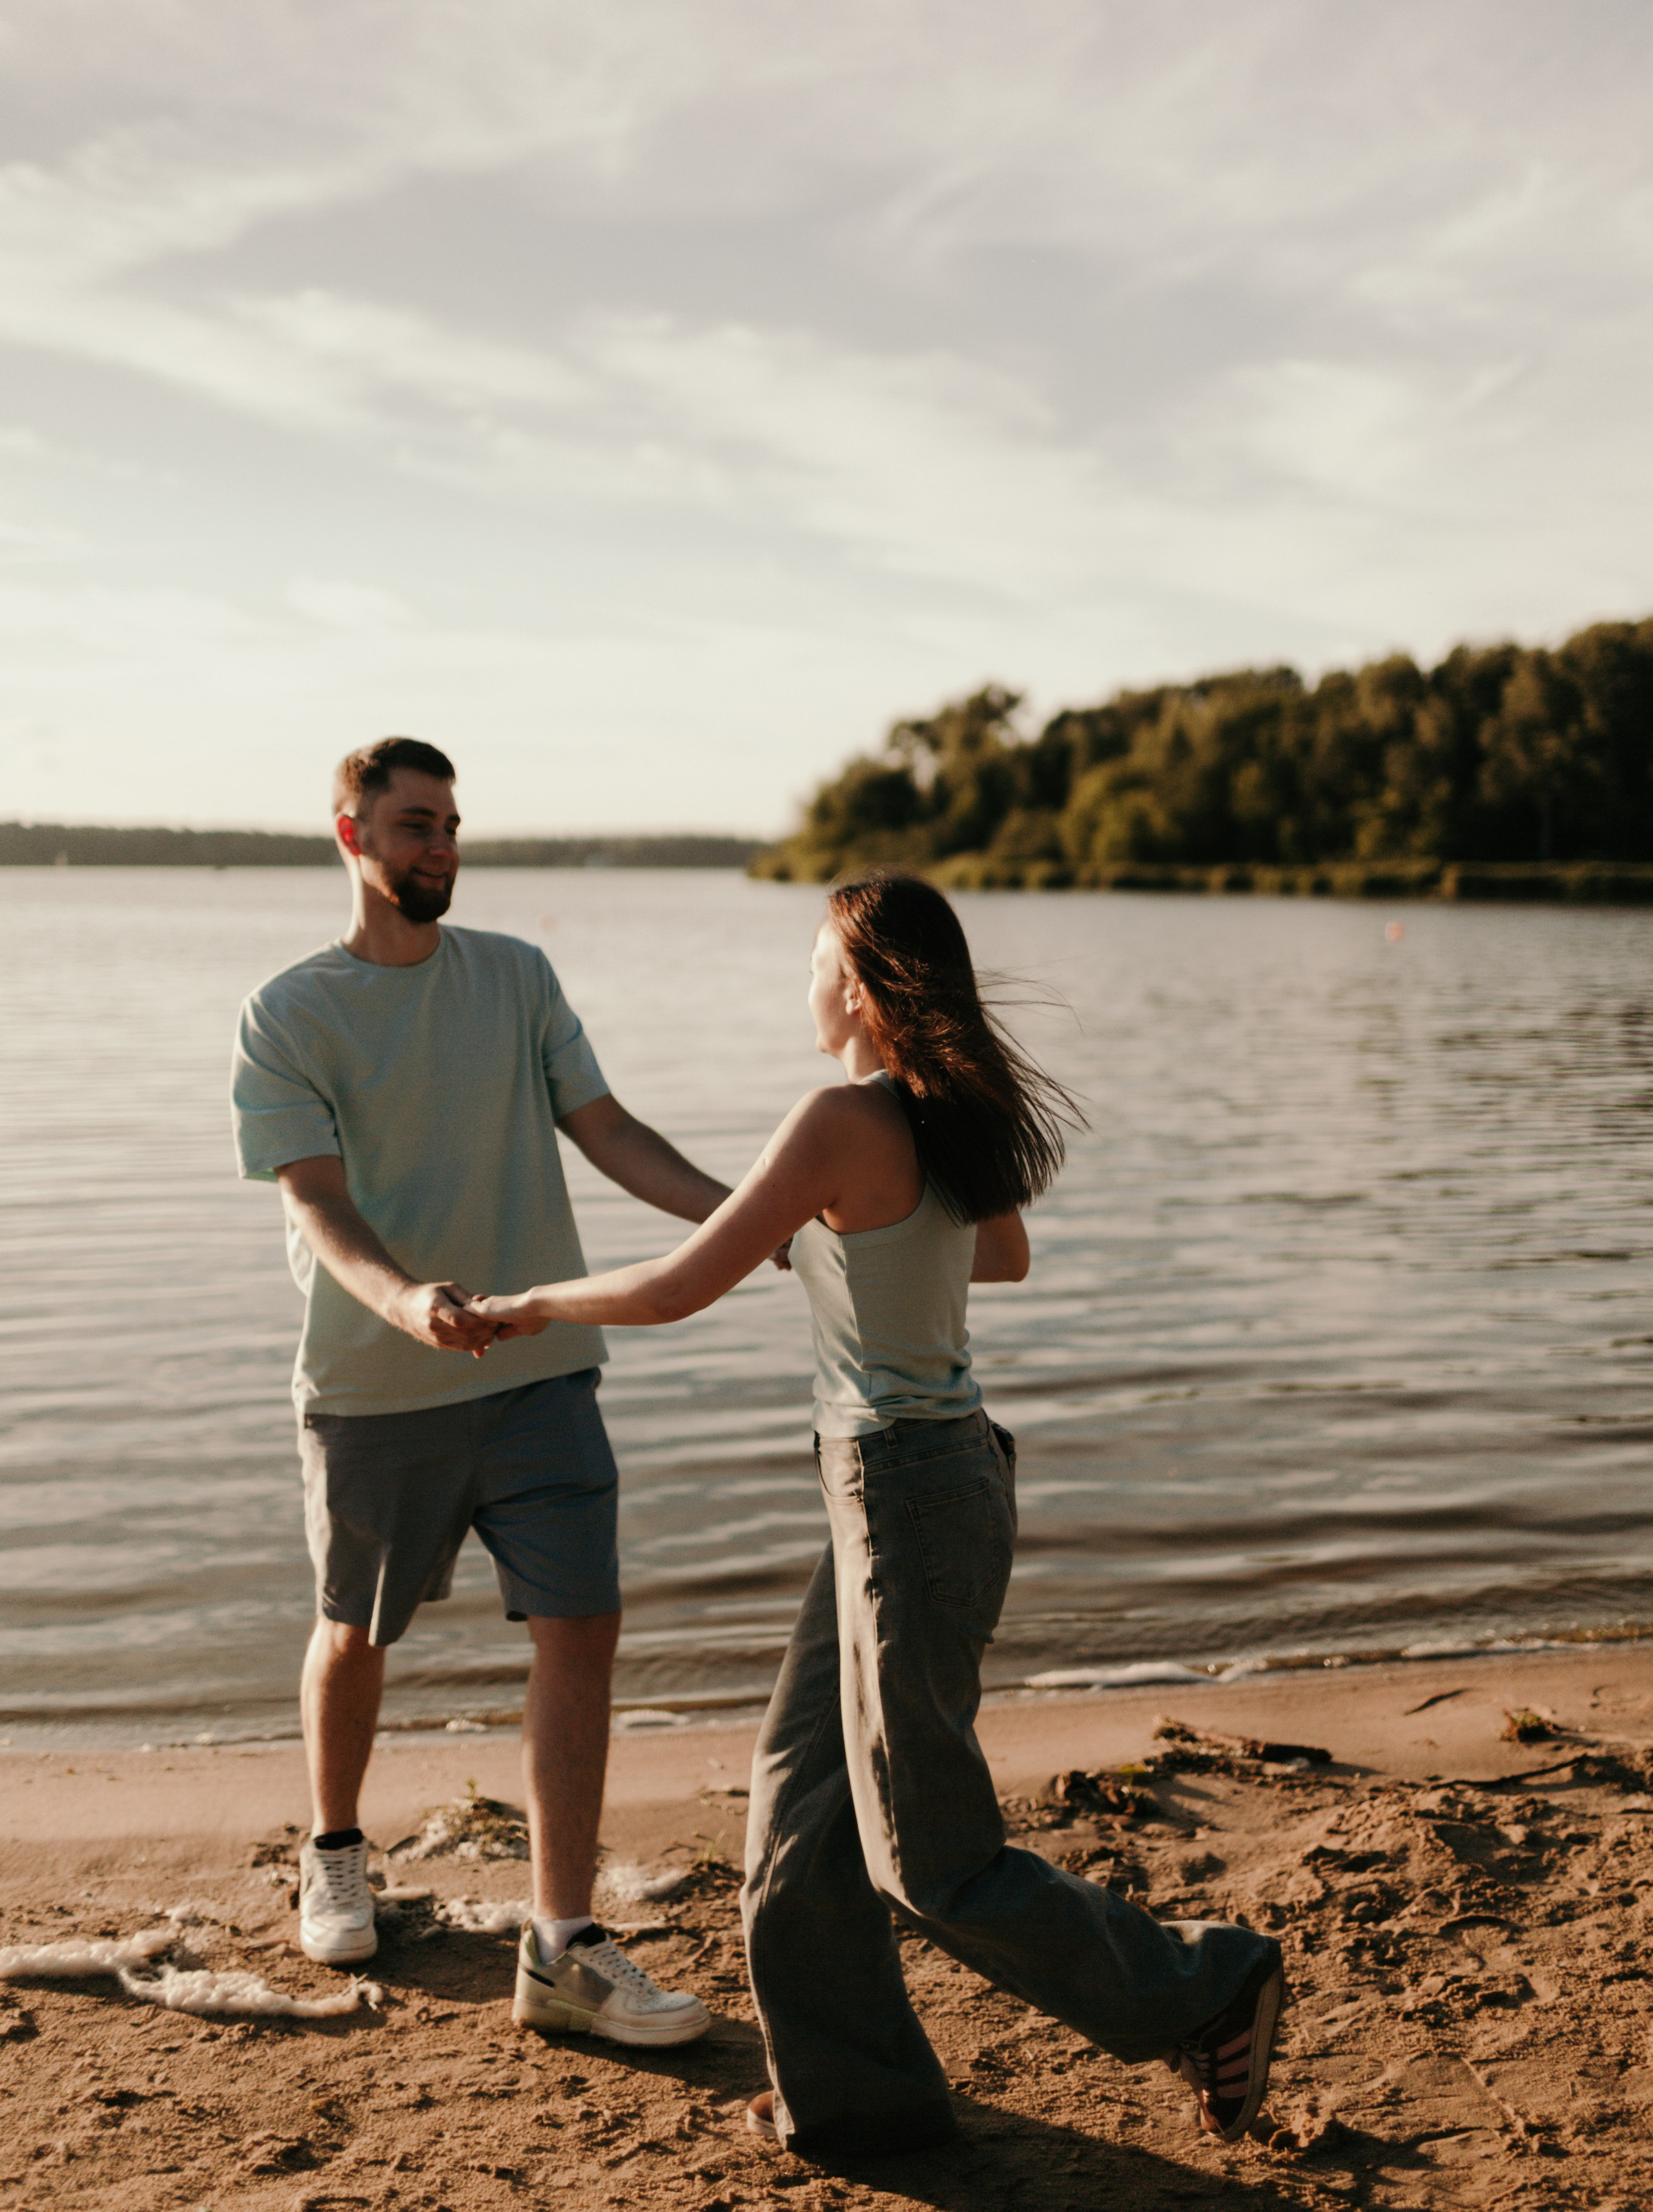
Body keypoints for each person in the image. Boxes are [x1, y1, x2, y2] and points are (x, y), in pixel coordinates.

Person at [471, 869, 1286, 2154]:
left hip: (906, 1491)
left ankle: (1205, 1984)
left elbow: (684, 1286)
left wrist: (534, 1303)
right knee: (797, 1818)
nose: (800, 982)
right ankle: (859, 2103)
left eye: (813, 961)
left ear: (855, 987)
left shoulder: (841, 1116)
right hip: (918, 1481)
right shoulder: (937, 1114)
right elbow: (998, 1252)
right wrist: (858, 1237)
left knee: (929, 1859)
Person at [229, 734, 721, 2048]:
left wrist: (744, 1221)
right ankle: (335, 1849)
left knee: (582, 1626)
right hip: (373, 1382)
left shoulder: (515, 976)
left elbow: (607, 1131)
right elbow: (318, 1205)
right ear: (351, 836)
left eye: (448, 825)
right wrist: (408, 1304)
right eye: (409, 827)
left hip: (543, 1372)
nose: (437, 848)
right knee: (356, 1630)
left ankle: (562, 1939)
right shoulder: (289, 1011)